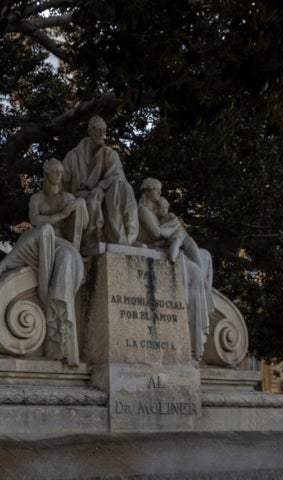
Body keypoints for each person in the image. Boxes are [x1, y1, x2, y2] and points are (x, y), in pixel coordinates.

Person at [0, 158, 85, 366]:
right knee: (45, 230)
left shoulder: (68, 197)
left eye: (61, 171)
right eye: (55, 171)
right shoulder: (37, 199)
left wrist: (81, 207)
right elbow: (35, 221)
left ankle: (57, 321)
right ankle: (8, 262)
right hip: (41, 244)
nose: (59, 175)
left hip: (62, 246)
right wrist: (61, 215)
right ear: (47, 174)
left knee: (67, 258)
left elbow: (81, 224)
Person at [136, 177, 214, 360]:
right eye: (157, 190)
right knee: (193, 271)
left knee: (204, 255)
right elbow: (156, 233)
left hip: (163, 247)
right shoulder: (142, 210)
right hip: (156, 250)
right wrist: (176, 229)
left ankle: (203, 294)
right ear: (147, 191)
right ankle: (192, 318)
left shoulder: (158, 211)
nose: (159, 194)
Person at [61, 115, 139, 248]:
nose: (102, 133)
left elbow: (118, 175)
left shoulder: (110, 154)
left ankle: (122, 239)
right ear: (90, 131)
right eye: (97, 129)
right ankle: (91, 240)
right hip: (80, 196)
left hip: (105, 193)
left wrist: (101, 187)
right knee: (92, 201)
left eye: (104, 130)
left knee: (122, 188)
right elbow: (62, 182)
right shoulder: (73, 155)